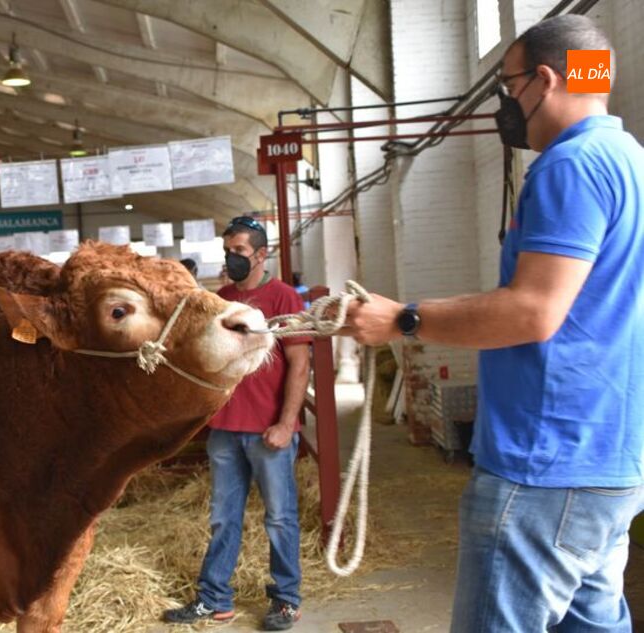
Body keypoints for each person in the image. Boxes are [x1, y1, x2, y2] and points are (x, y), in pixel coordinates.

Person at [343, 16, 644, 633]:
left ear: (544, 79)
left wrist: (403, 319)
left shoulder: (571, 166)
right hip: (609, 461)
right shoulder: (629, 160)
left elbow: (532, 311)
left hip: (545, 464)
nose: (506, 105)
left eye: (506, 87)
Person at [163, 216, 311, 631]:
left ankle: (286, 600)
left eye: (240, 251)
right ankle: (214, 599)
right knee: (223, 516)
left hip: (269, 432)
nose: (232, 258)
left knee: (279, 517)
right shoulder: (221, 300)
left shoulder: (284, 299)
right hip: (226, 430)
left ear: (261, 255)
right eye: (228, 250)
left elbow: (299, 365)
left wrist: (286, 423)